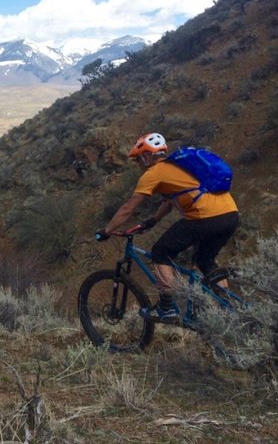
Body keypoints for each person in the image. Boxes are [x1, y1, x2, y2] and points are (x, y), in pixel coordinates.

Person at [96, 132, 239, 321]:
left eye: (138, 160)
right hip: (230, 215)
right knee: (205, 261)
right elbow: (171, 201)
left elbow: (128, 208)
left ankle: (166, 308)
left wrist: (107, 231)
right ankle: (227, 306)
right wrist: (153, 221)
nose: (138, 165)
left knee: (161, 252)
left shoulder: (153, 173)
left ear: (147, 157)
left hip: (204, 216)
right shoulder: (177, 167)